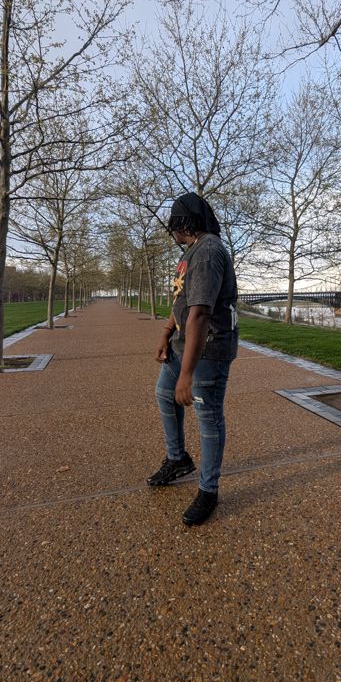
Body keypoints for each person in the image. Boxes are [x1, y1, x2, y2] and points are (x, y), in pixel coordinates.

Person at [147, 192, 238, 526]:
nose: (172, 232)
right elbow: (183, 300)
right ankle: (178, 458)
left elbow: (199, 312)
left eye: (174, 224)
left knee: (208, 417)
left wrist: (186, 375)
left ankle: (208, 490)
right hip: (183, 344)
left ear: (184, 222)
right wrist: (166, 332)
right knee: (163, 393)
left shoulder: (209, 252)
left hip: (208, 350)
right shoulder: (192, 251)